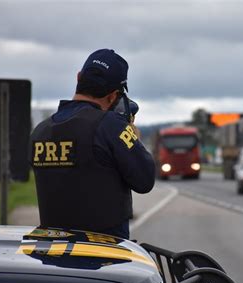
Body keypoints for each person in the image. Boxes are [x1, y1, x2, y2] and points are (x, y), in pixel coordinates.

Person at [29, 48, 155, 239]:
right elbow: (145, 180)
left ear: (79, 78)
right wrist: (131, 134)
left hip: (52, 256)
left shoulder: (40, 131)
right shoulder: (112, 126)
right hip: (103, 257)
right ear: (113, 96)